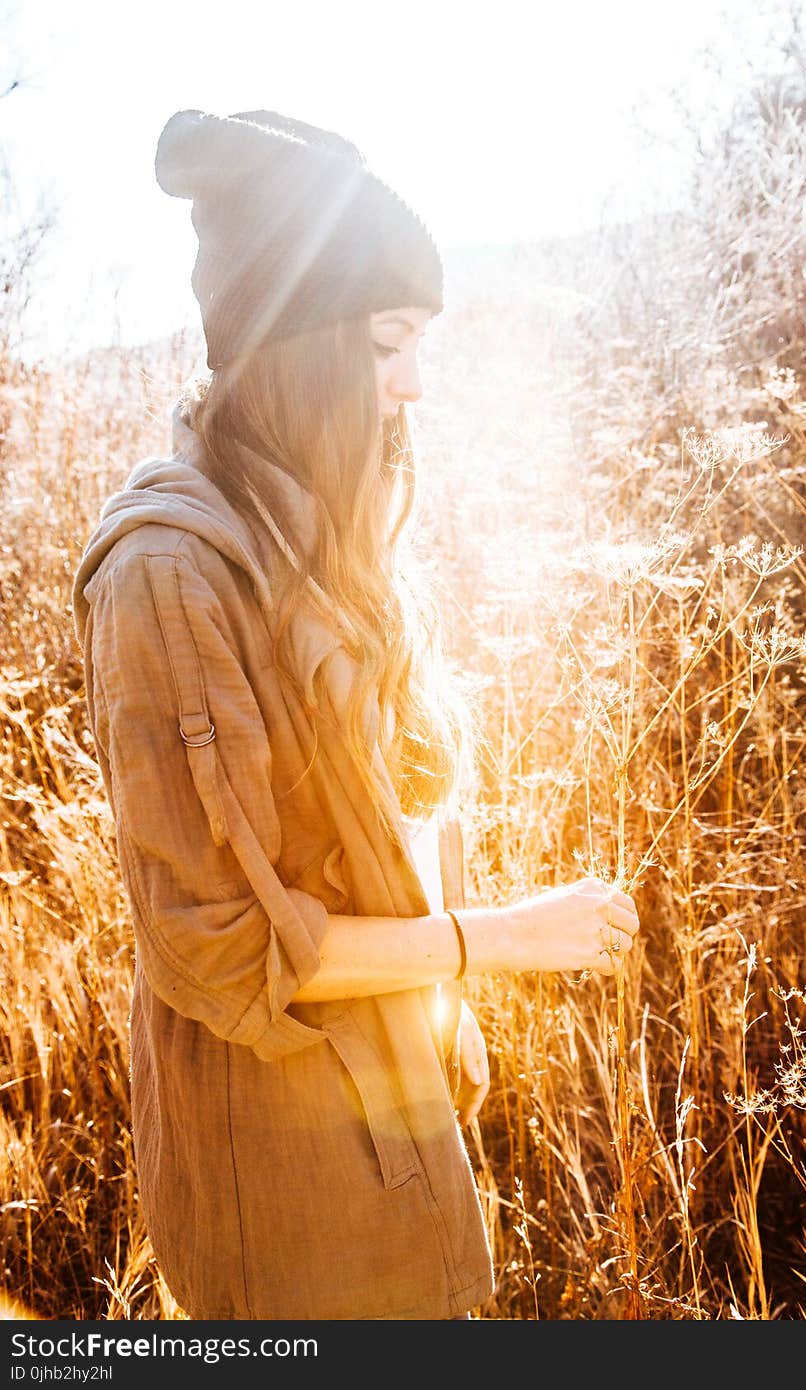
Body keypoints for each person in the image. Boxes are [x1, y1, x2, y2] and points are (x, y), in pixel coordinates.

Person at [71, 108, 641, 1322]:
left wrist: (439, 1014)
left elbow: (380, 815)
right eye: (389, 340)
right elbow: (220, 953)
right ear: (299, 345)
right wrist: (497, 940)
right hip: (285, 1171)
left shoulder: (316, 527)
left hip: (396, 1105)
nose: (416, 382)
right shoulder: (172, 576)